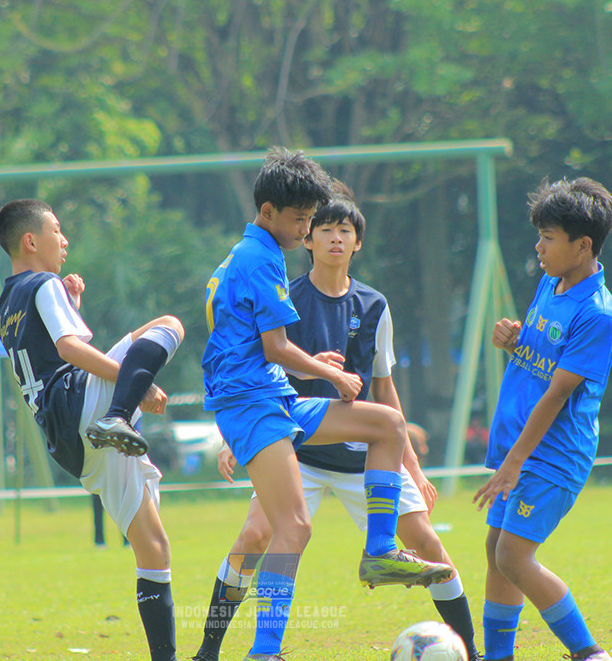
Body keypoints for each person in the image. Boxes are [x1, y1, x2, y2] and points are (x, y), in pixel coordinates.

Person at [193, 182, 475, 661]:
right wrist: (327, 374)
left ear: (358, 241)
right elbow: (271, 350)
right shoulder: (268, 266)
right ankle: (231, 650)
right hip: (278, 427)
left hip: (307, 425)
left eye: (338, 227)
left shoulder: (369, 302)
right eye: (311, 223)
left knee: (391, 434)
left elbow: (376, 383)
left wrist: (412, 466)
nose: (320, 232)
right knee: (268, 535)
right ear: (284, 222)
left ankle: (386, 558)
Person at [0, 198, 184, 661]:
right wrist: (136, 386)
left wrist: (73, 305)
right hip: (81, 406)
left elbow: (50, 351)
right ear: (30, 240)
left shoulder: (5, 304)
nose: (64, 240)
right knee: (168, 325)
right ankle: (117, 416)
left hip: (68, 443)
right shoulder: (44, 283)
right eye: (57, 230)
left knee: (154, 548)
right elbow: (70, 350)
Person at [472, 177, 612, 661]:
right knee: (496, 550)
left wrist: (512, 464)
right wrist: (512, 339)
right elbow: (540, 356)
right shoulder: (550, 283)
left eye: (548, 238)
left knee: (513, 556)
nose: (538, 247)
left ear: (583, 246)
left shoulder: (599, 314)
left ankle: (589, 653)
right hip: (523, 447)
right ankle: (499, 656)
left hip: (553, 454)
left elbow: (557, 394)